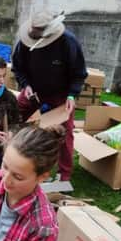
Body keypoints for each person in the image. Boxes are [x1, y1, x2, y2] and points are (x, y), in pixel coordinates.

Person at [12, 10, 87, 181]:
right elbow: (18, 67)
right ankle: (5, 156)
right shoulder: (24, 42)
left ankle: (64, 175)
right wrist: (26, 85)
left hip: (60, 94)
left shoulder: (68, 42)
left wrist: (71, 96)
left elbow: (79, 72)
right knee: (11, 115)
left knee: (65, 132)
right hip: (34, 91)